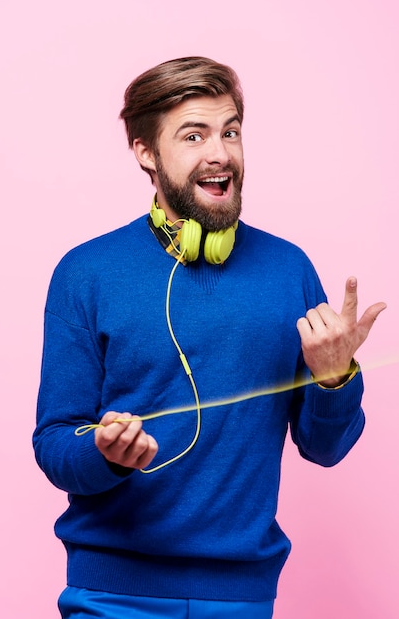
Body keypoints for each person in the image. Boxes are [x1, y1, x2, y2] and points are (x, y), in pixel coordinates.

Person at [33, 57, 386, 619]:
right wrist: (105, 453)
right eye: (193, 135)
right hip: (111, 595)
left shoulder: (288, 269)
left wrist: (334, 377)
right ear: (146, 153)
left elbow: (327, 449)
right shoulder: (86, 272)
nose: (219, 152)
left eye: (230, 132)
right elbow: (53, 444)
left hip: (243, 598)